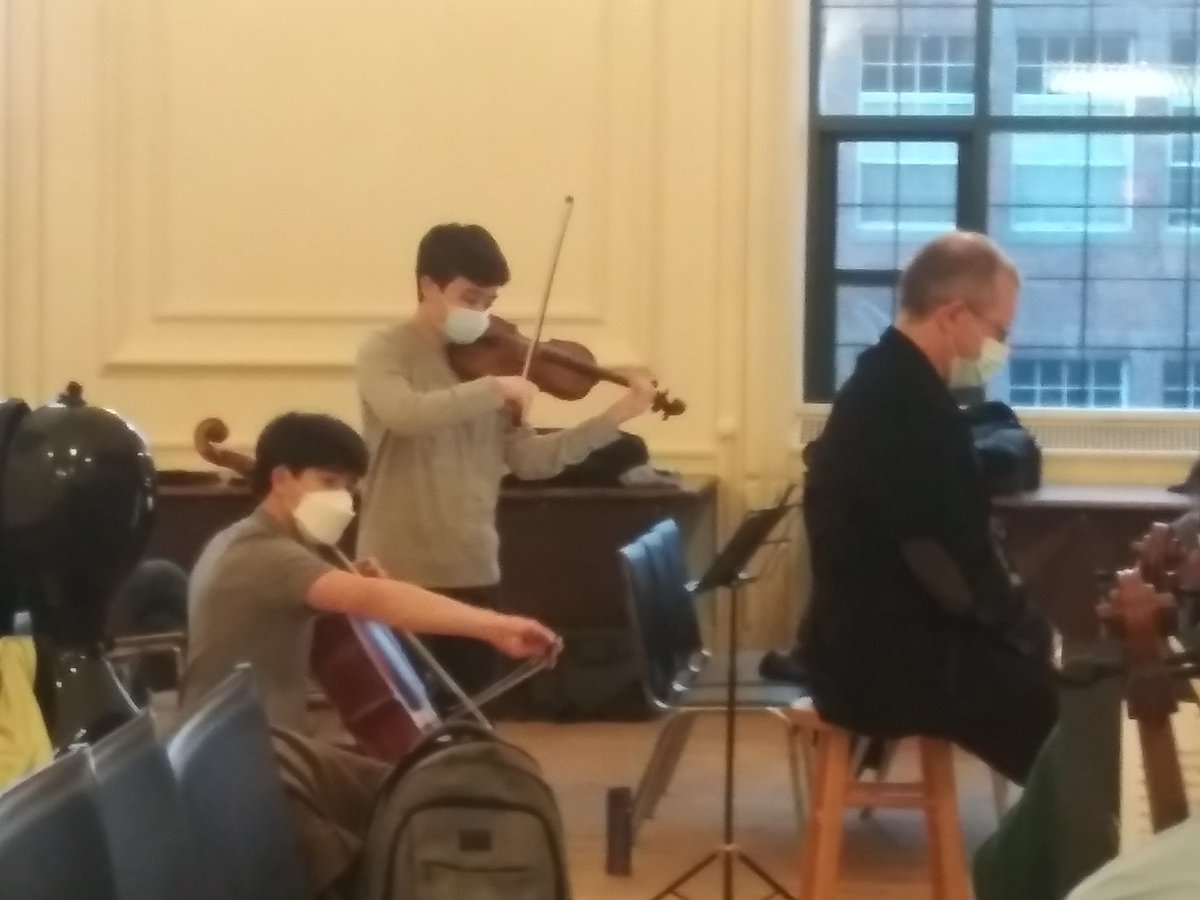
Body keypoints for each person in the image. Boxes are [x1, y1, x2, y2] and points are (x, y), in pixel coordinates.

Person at [795, 230, 1058, 785]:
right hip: (880, 665)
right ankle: (1076, 860)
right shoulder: (906, 407)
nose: (1000, 348)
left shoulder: (891, 381)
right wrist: (1029, 629)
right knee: (1071, 724)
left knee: (1055, 691)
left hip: (874, 640)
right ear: (954, 314)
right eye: (999, 331)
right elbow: (950, 564)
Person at [354, 222, 658, 701]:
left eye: (488, 302)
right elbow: (404, 414)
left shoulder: (496, 364)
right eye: (469, 297)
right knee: (401, 718)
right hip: (396, 569)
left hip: (473, 565)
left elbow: (532, 462)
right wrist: (494, 389)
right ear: (428, 285)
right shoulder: (385, 351)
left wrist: (614, 417)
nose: (479, 312)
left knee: (472, 713)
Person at [179, 410, 561, 735]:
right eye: (328, 482)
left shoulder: (254, 539)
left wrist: (353, 585)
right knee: (424, 793)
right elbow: (374, 600)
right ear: (281, 480)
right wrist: (495, 626)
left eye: (348, 486)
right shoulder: (264, 552)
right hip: (247, 753)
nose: (343, 497)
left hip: (259, 739)